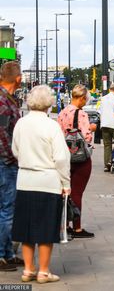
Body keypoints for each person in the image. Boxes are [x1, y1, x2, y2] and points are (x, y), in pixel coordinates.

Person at [11, 85, 71, 284]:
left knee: (26, 229)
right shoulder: (51, 125)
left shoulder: (21, 123)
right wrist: (66, 183)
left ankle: (28, 270)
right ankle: (44, 272)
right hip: (48, 181)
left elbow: (15, 150)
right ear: (49, 104)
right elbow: (61, 158)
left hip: (25, 180)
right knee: (46, 229)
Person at [57, 84, 96, 239]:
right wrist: (92, 128)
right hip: (80, 158)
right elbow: (86, 136)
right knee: (77, 193)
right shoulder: (81, 114)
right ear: (81, 98)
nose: (86, 101)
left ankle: (65, 225)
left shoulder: (62, 112)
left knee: (66, 192)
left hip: (65, 157)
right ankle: (77, 228)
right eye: (86, 98)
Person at [0, 61, 23, 272]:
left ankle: (8, 253)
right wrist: (12, 157)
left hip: (7, 163)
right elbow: (2, 136)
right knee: (7, 210)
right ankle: (1, 255)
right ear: (17, 78)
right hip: (5, 164)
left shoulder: (8, 99)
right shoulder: (3, 102)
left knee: (8, 209)